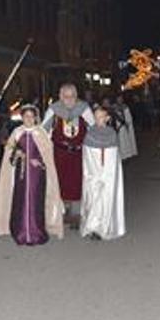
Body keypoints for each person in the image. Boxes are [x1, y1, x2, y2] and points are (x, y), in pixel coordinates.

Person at [0, 105, 64, 245]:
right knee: (20, 200)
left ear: (36, 118)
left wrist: (39, 161)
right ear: (22, 117)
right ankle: (21, 231)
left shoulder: (41, 133)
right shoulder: (17, 132)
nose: (29, 119)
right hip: (21, 174)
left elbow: (48, 155)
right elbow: (9, 153)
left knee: (35, 200)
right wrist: (16, 154)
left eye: (32, 116)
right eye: (26, 116)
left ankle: (36, 231)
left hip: (37, 174)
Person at [42, 84, 96, 228]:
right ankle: (63, 212)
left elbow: (93, 129)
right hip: (59, 154)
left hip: (79, 153)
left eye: (72, 96)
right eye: (65, 96)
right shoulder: (54, 110)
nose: (69, 99)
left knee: (78, 183)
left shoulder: (84, 109)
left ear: (76, 96)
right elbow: (44, 131)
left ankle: (76, 214)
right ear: (60, 97)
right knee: (60, 182)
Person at [81, 107, 126, 241]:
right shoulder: (90, 134)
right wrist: (94, 172)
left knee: (106, 198)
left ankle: (105, 227)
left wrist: (107, 172)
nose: (98, 119)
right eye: (96, 117)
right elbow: (87, 155)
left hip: (108, 174)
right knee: (94, 198)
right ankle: (92, 227)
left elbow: (113, 157)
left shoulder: (112, 134)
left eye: (101, 117)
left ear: (107, 118)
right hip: (94, 173)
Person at [115, 95, 138, 160]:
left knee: (125, 139)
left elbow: (128, 116)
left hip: (125, 125)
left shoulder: (125, 106)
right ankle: (122, 154)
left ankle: (127, 152)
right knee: (120, 139)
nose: (120, 100)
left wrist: (127, 123)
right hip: (119, 125)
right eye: (118, 98)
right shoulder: (115, 107)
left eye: (121, 98)